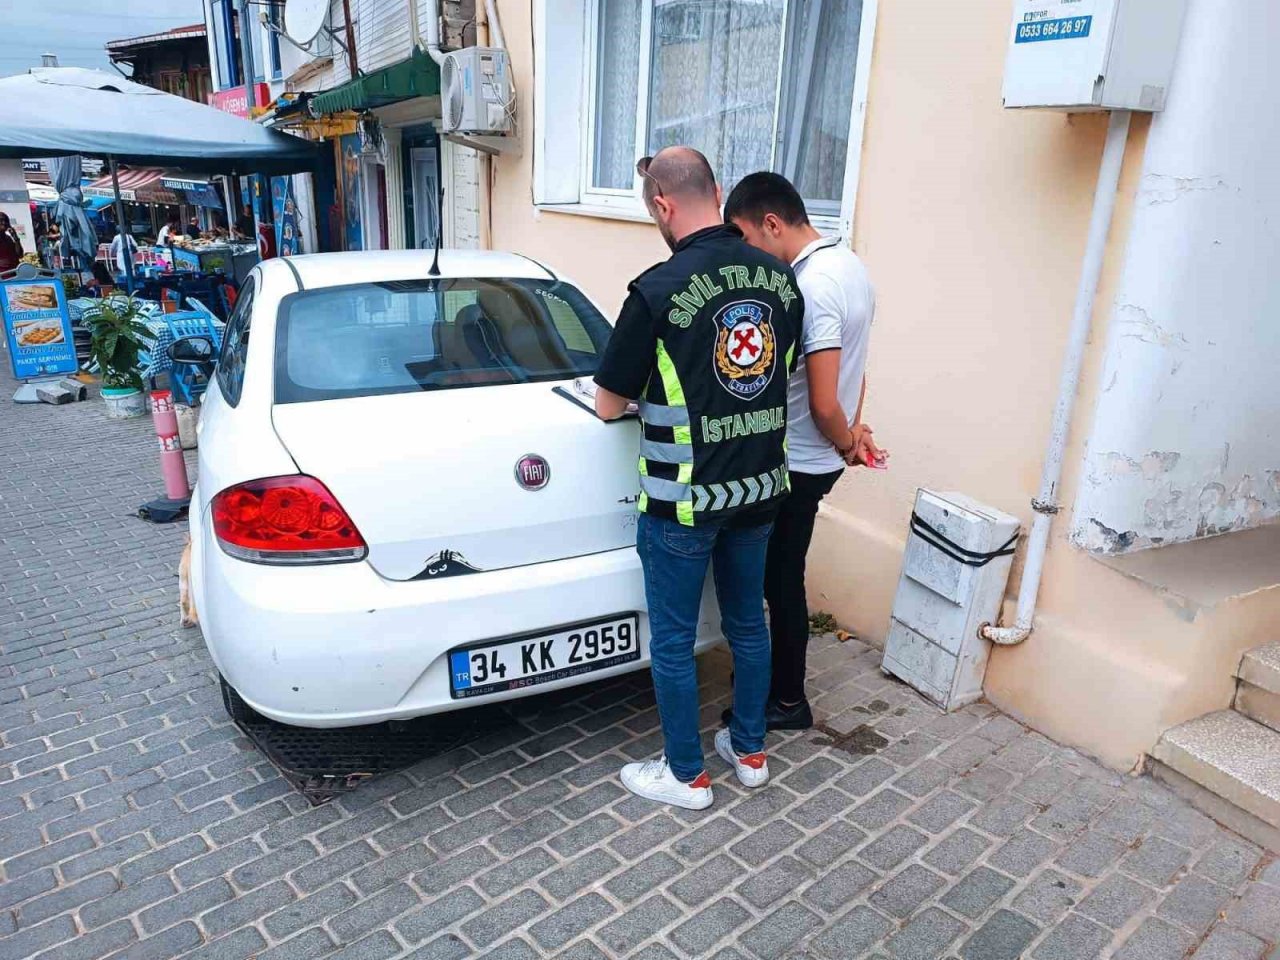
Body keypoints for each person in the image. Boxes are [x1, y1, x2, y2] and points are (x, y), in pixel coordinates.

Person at [593, 147, 803, 810]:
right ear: (717, 191)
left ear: (663, 205)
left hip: (682, 500)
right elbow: (772, 374)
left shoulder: (656, 289)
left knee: (675, 641)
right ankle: (750, 751)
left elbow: (608, 404)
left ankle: (686, 775)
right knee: (749, 623)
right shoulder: (782, 280)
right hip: (760, 490)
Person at [723, 172, 886, 730]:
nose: (747, 253)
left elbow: (821, 400)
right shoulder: (851, 266)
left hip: (796, 461)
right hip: (819, 456)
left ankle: (788, 700)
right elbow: (855, 370)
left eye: (747, 238)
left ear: (772, 223)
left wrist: (845, 439)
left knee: (777, 581)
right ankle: (774, 684)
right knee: (781, 575)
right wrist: (853, 431)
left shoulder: (811, 285)